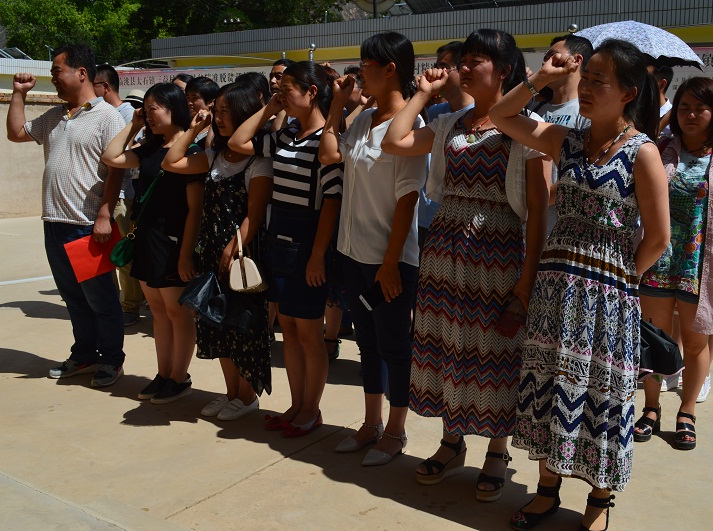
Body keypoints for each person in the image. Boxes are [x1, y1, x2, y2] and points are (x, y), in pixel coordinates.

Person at [489, 39, 670, 530]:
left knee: (601, 397)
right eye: (584, 77)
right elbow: (501, 116)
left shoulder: (642, 152)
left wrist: (618, 278)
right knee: (552, 388)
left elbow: (659, 237)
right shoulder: (565, 139)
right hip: (555, 292)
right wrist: (541, 78)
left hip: (608, 299)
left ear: (628, 93)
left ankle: (598, 500)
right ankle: (547, 492)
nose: (586, 87)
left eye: (598, 81)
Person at [383, 29, 551, 502]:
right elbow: (394, 141)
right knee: (447, 346)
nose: (464, 67)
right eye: (465, 59)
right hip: (445, 250)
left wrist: (527, 281)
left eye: (477, 59)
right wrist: (421, 94)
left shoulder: (526, 126)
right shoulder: (450, 122)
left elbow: (538, 210)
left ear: (504, 70)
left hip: (498, 252)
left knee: (493, 352)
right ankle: (452, 442)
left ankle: (496, 450)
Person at [319, 32, 428, 465]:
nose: (360, 71)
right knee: (366, 342)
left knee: (394, 347)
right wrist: (336, 107)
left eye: (367, 64)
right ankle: (371, 424)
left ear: (390, 69)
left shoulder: (410, 126)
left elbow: (408, 199)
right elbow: (329, 155)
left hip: (390, 260)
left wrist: (390, 262)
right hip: (353, 252)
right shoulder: (364, 118)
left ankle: (396, 431)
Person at [636, 77, 713, 451]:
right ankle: (651, 407)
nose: (690, 115)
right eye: (684, 107)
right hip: (658, 260)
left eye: (700, 108)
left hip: (700, 266)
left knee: (694, 341)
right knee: (654, 338)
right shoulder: (660, 149)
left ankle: (687, 412)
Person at [229, 62, 343, 437]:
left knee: (309, 332)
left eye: (288, 88)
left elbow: (331, 202)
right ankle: (296, 405)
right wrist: (269, 108)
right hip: (279, 235)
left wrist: (317, 255)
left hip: (309, 237)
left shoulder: (327, 139)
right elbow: (237, 142)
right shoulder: (285, 134)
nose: (282, 94)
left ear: (312, 92)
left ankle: (311, 409)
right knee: (289, 331)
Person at [7, 44, 127, 387]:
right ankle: (85, 355)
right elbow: (16, 132)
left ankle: (111, 360)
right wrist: (18, 94)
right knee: (73, 298)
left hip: (86, 226)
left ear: (81, 73)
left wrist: (104, 213)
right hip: (55, 223)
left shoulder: (107, 117)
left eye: (57, 71)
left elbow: (116, 169)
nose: (53, 78)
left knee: (101, 299)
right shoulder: (56, 116)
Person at [162, 82, 273, 420]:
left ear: (243, 114)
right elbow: (171, 161)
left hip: (242, 257)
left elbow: (254, 214)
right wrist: (194, 129)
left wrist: (231, 248)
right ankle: (231, 393)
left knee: (241, 327)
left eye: (226, 111)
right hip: (211, 252)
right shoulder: (213, 155)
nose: (219, 117)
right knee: (217, 325)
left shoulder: (258, 161)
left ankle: (247, 396)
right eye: (217, 111)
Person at [102, 83, 204, 403]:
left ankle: (179, 376)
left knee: (177, 312)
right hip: (147, 238)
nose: (148, 115)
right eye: (145, 110)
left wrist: (185, 255)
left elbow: (195, 210)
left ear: (174, 108)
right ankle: (163, 374)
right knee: (159, 311)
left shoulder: (191, 151)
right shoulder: (148, 148)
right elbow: (110, 156)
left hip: (173, 241)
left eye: (153, 109)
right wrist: (133, 125)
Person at [94, 63, 144, 327]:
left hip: (122, 195)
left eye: (92, 85)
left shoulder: (125, 114)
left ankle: (130, 306)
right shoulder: (99, 113)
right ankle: (114, 305)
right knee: (106, 256)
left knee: (124, 253)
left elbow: (123, 156)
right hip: (103, 196)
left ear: (105, 87)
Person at [527, 34, 592, 235]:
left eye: (552, 55)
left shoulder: (586, 113)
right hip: (527, 225)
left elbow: (582, 173)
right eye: (545, 57)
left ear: (577, 60)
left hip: (562, 230)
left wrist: (536, 200)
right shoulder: (534, 108)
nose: (545, 63)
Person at [419, 40, 474, 253]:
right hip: (426, 219)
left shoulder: (480, 115)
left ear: (464, 70)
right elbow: (396, 141)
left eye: (443, 66)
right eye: (436, 65)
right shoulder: (434, 113)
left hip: (462, 226)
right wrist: (421, 95)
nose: (435, 72)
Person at [185, 76, 219, 148]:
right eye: (188, 98)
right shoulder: (184, 127)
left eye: (194, 98)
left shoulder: (218, 130)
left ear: (210, 102)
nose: (189, 103)